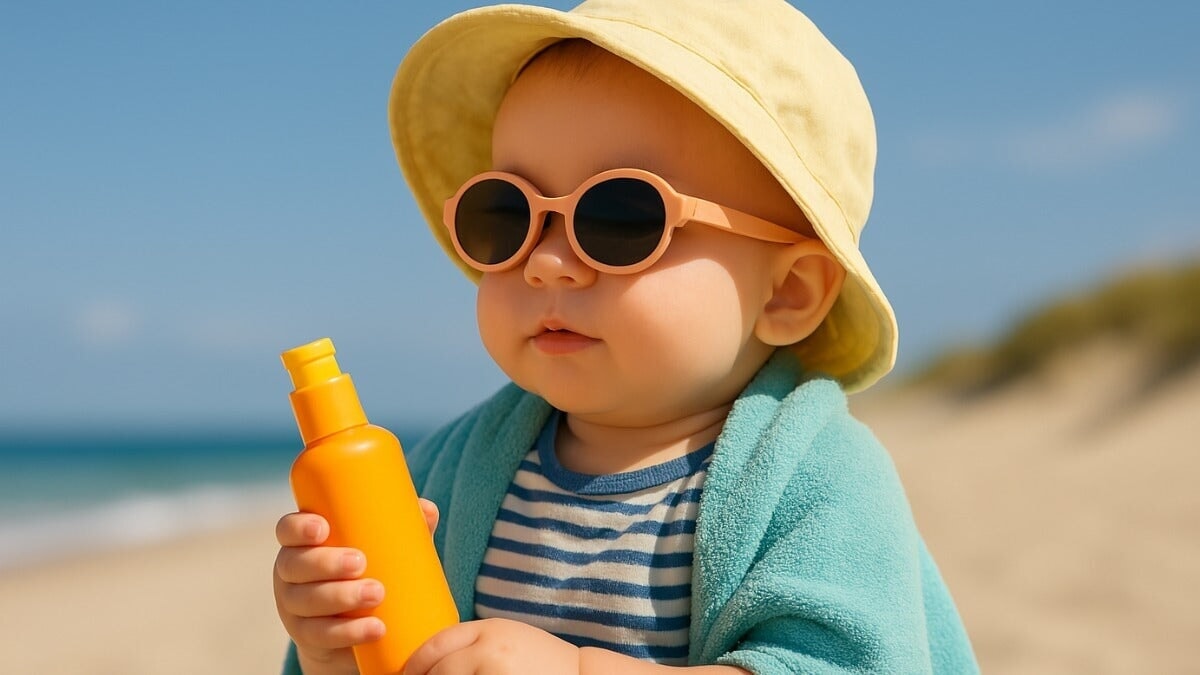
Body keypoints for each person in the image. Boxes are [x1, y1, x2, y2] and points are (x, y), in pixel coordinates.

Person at [273, 1, 978, 673]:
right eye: (507, 215)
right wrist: (337, 648)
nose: (546, 261)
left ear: (787, 292)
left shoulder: (815, 478)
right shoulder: (448, 473)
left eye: (618, 217)